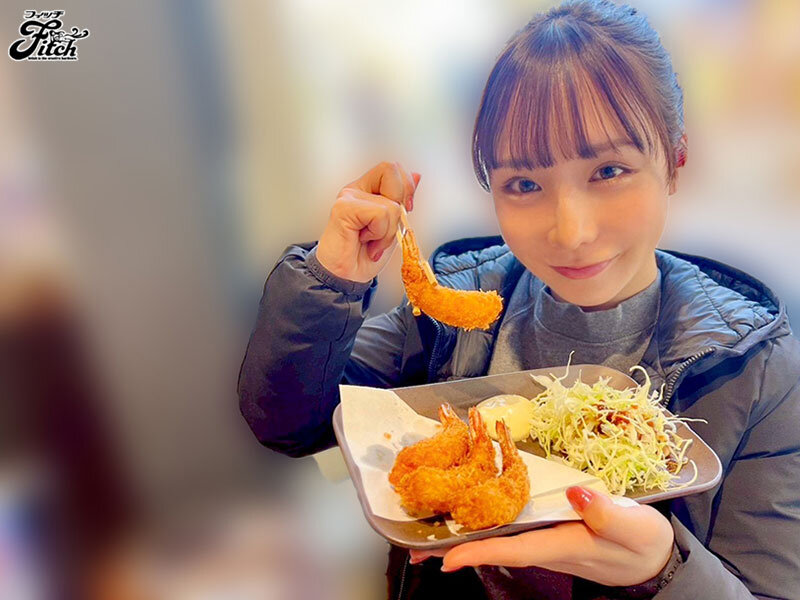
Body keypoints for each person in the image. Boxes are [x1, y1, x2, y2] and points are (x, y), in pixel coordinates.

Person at [237, 1, 800, 598]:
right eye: (524, 184)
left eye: (609, 171)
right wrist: (332, 279)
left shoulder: (753, 368)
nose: (572, 231)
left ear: (676, 162)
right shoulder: (455, 309)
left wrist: (663, 570)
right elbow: (288, 423)